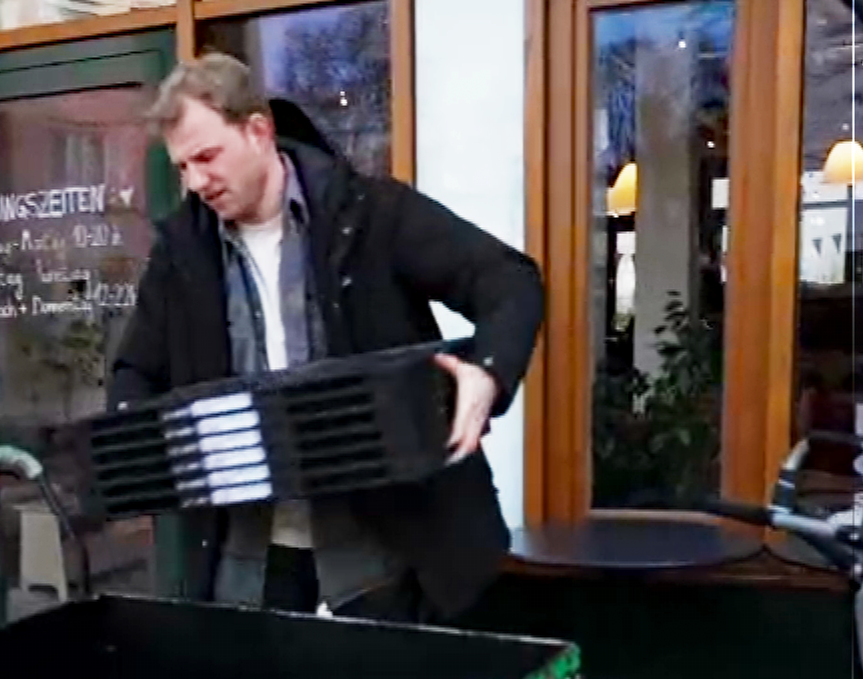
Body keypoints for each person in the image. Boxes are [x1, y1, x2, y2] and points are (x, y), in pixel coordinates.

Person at [109, 54, 545, 625]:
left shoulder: (370, 213)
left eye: (207, 157)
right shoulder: (181, 253)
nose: (195, 182)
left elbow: (508, 280)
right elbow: (134, 371)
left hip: (386, 548)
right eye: (183, 166)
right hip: (249, 561)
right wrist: (138, 450)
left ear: (258, 130)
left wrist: (487, 372)